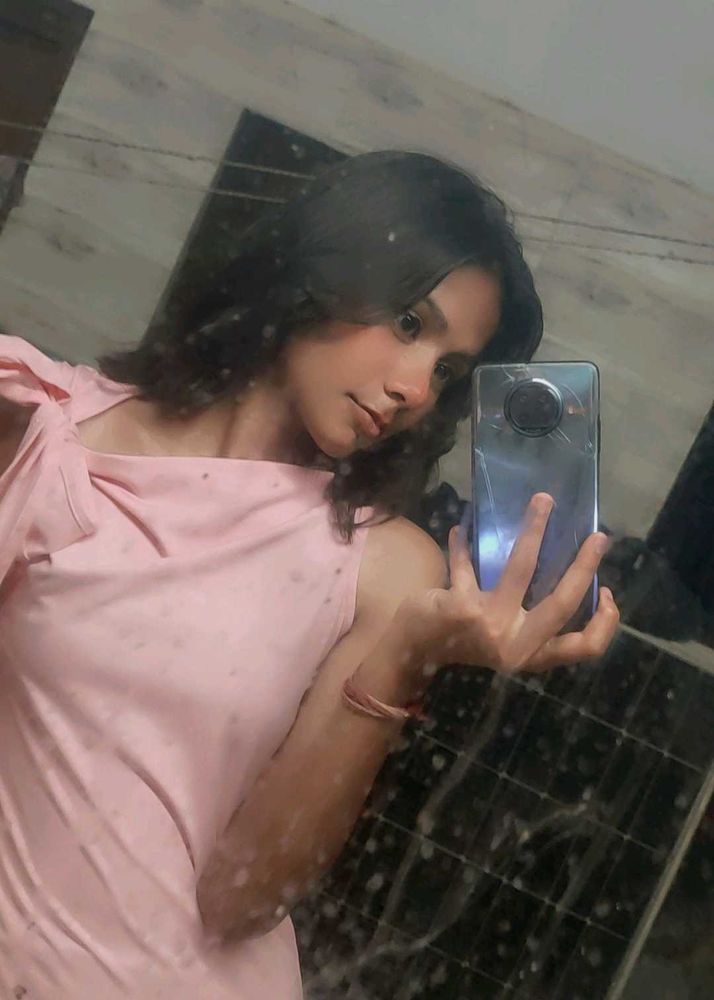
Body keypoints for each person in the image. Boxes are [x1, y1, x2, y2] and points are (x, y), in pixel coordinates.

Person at [0, 151, 619, 998]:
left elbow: (244, 899)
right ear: (321, 271)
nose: (415, 389)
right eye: (410, 323)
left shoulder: (383, 568)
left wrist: (401, 659)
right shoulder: (48, 436)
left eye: (447, 371)